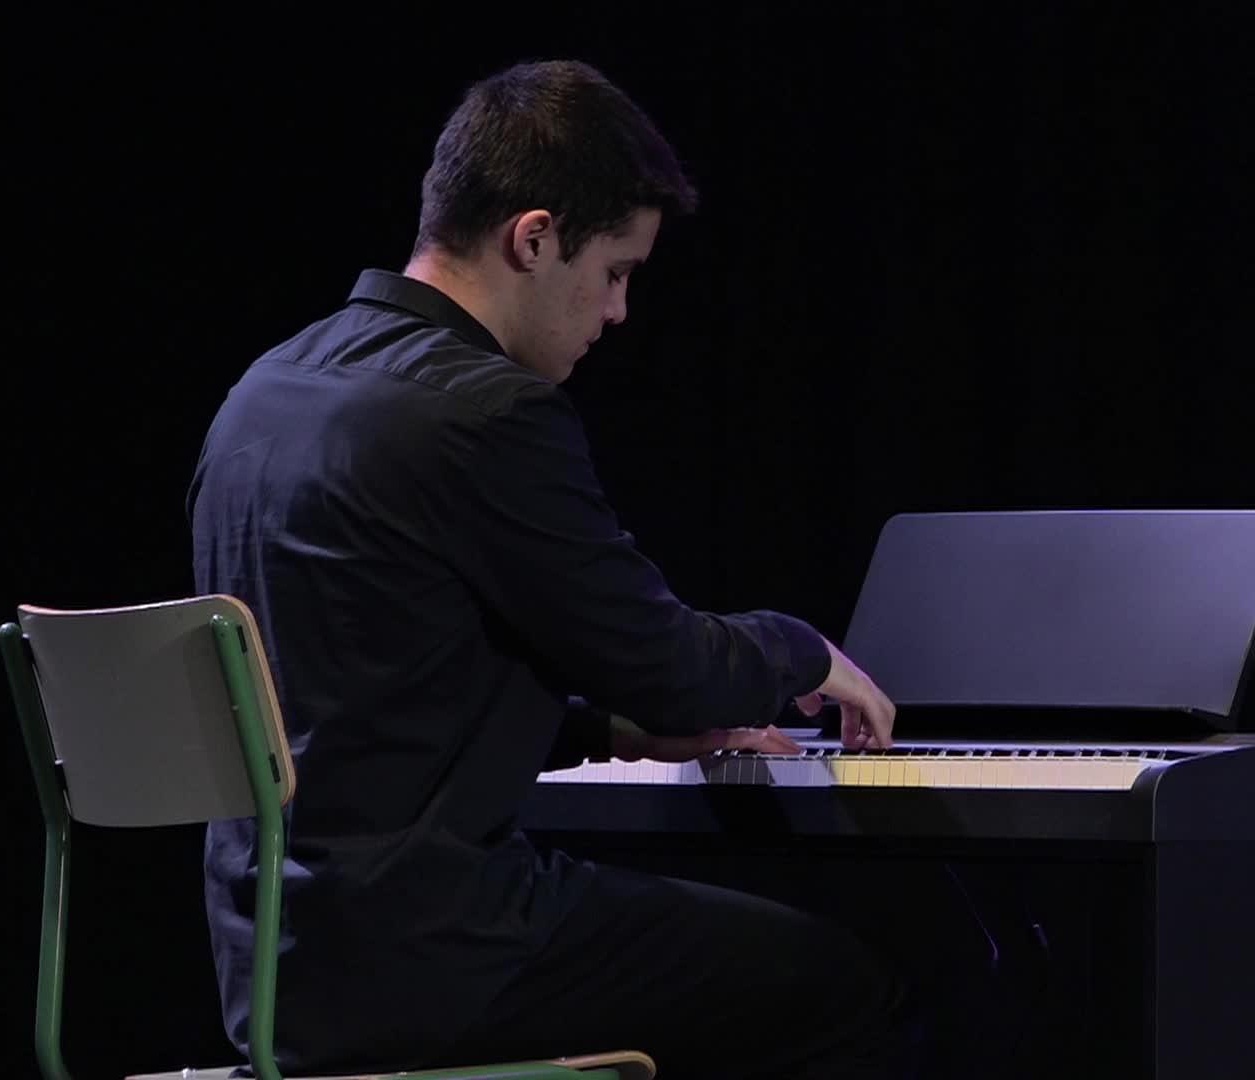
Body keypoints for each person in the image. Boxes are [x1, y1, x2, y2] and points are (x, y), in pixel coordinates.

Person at [186, 59, 919, 1078]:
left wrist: (609, 732)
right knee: (843, 980)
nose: (618, 311)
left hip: (275, 964)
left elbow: (356, 698)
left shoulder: (269, 389)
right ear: (533, 239)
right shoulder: (482, 412)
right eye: (615, 271)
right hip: (431, 954)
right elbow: (666, 663)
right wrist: (801, 649)